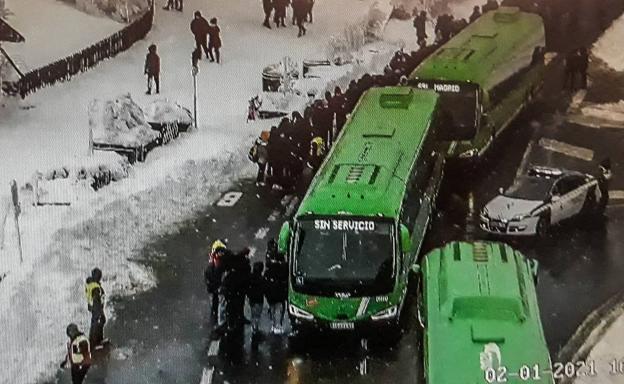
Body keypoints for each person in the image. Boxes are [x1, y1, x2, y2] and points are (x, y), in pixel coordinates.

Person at [220, 248, 251, 334]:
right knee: (233, 306)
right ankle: (232, 322)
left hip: (236, 288)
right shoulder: (240, 263)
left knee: (233, 306)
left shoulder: (234, 263)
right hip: (236, 288)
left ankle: (233, 322)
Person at [263, 240, 288, 334]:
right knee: (279, 305)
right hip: (279, 289)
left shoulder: (269, 271)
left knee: (274, 305)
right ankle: (278, 323)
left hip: (274, 289)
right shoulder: (282, 268)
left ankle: (275, 323)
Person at [85, 268, 107, 348]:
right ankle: (96, 344)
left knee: (94, 326)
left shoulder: (90, 285)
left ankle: (93, 343)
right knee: (97, 327)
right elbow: (96, 301)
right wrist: (101, 314)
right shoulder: (96, 288)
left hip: (93, 311)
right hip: (97, 311)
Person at [205, 240, 226, 318]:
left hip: (215, 287)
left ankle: (215, 318)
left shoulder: (217, 263)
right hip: (214, 288)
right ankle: (215, 320)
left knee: (216, 305)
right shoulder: (212, 266)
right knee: (215, 305)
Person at [248, 261, 266, 337]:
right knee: (257, 315)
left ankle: (254, 328)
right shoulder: (261, 279)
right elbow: (264, 289)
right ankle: (255, 330)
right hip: (258, 299)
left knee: (253, 314)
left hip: (252, 299)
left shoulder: (250, 277)